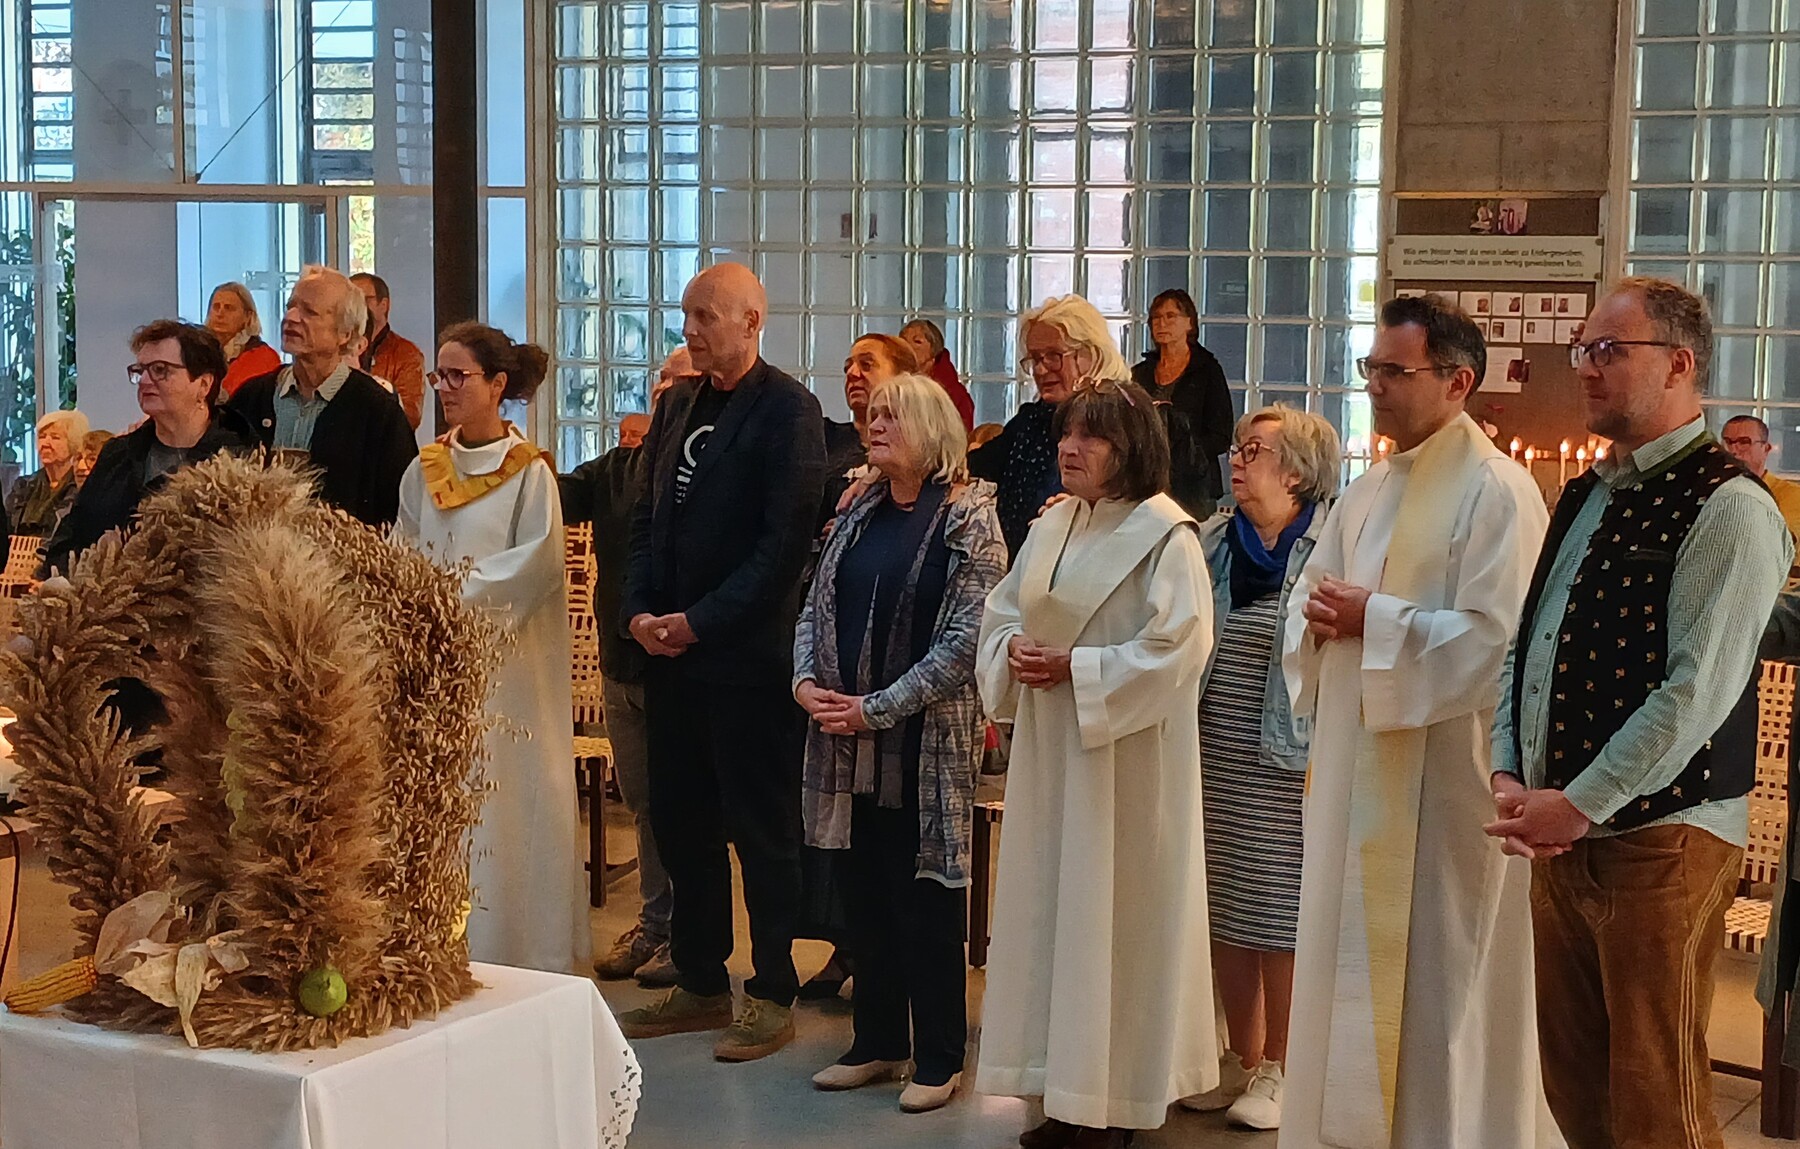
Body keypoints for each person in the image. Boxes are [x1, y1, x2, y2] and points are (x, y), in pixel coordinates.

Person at [1487, 278, 1792, 1149]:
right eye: (1583, 349)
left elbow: (1695, 694)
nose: (1586, 368)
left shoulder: (1730, 505)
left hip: (1665, 838)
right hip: (1562, 828)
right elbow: (1530, 642)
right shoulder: (1588, 492)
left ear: (1680, 363)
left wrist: (1577, 801)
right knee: (1575, 1088)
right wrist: (1510, 769)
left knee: (1658, 1103)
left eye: (1609, 351)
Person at [1280, 294, 1555, 1149]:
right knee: (1346, 963)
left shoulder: (1499, 491)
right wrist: (1318, 620)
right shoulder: (1367, 491)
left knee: (1442, 981)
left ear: (1458, 380)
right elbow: (1310, 598)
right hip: (1353, 770)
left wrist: (1375, 619)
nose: (1375, 387)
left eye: (1394, 372)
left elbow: (1501, 644)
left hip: (1446, 786)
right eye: (1371, 369)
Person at [974, 379, 1216, 1149]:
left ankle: (1115, 1105)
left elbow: (1180, 650)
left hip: (1127, 768)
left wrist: (1077, 667)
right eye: (1067, 433)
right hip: (1053, 761)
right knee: (1055, 921)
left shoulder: (1167, 538)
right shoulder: (1053, 525)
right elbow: (1002, 610)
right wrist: (1012, 650)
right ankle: (1062, 1092)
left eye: (1091, 436)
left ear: (1132, 448)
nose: (1069, 448)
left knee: (1117, 925)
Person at [614, 263, 827, 1062]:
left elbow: (781, 547)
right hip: (670, 659)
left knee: (760, 832)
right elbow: (646, 520)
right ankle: (701, 978)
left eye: (706, 316)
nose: (691, 330)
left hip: (745, 661)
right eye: (687, 315)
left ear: (751, 321)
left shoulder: (788, 410)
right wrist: (638, 611)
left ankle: (771, 989)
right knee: (681, 822)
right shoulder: (678, 404)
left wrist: (698, 622)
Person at [793, 374, 1006, 1112]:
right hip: (849, 741)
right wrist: (805, 683)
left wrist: (877, 709)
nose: (874, 425)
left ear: (933, 430)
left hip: (925, 743)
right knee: (866, 895)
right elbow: (815, 605)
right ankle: (878, 1042)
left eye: (893, 416)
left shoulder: (970, 517)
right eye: (874, 414)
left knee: (926, 901)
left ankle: (939, 1056)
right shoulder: (860, 508)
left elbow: (966, 640)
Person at [392, 321, 589, 975]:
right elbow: (401, 551)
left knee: (506, 799)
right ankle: (442, 943)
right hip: (432, 668)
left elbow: (536, 566)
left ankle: (519, 950)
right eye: (438, 376)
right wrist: (408, 603)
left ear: (498, 384)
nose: (445, 388)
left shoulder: (528, 475)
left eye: (459, 375)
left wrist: (445, 598)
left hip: (507, 673)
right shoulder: (425, 470)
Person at [1181, 404, 1340, 1132]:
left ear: (1298, 473)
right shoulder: (1213, 541)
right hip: (1214, 749)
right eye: (1237, 448)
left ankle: (1284, 1065)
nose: (1236, 462)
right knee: (1225, 905)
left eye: (1255, 451)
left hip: (1289, 759)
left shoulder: (1331, 546)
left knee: (1280, 912)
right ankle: (1238, 1057)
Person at [562, 346, 698, 989]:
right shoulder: (620, 468)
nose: (667, 386)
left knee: (687, 810)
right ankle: (656, 923)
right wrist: (504, 460)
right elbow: (559, 496)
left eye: (682, 379)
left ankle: (693, 937)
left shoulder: (708, 469)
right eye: (663, 377)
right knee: (644, 807)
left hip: (685, 665)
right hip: (622, 662)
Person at [43, 321, 256, 578]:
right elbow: (65, 544)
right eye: (140, 370)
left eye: (160, 370)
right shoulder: (117, 455)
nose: (144, 381)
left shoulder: (239, 463)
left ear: (203, 384)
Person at [228, 266, 417, 528]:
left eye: (309, 311)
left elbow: (400, 511)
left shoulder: (378, 410)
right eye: (290, 307)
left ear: (345, 334)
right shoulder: (251, 398)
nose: (291, 318)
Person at [969, 294, 1126, 560]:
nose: (1041, 370)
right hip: (1022, 570)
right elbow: (974, 467)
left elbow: (1139, 501)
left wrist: (1087, 511)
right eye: (1035, 359)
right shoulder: (1030, 422)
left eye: (1054, 356)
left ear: (1091, 355)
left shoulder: (1124, 420)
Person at [1130, 288, 1234, 520]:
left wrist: (1187, 455)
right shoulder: (1140, 373)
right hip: (1147, 480)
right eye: (1156, 317)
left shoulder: (1207, 371)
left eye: (1170, 316)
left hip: (1195, 485)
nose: (1161, 323)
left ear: (1189, 323)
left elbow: (1221, 434)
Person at [352, 272, 428, 430]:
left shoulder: (407, 353)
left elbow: (410, 416)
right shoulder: (338, 349)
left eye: (365, 299)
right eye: (351, 300)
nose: (357, 306)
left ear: (384, 304)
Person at [7, 409, 89, 536]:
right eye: (42, 437)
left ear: (73, 444)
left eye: (55, 438)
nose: (45, 443)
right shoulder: (23, 485)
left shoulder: (81, 487)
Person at [1722, 414, 1800, 542]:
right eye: (1728, 442)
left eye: (1744, 442)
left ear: (1766, 449)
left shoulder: (1791, 496)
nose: (1733, 451)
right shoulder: (1712, 492)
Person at [207, 281, 282, 398]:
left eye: (228, 308)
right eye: (216, 307)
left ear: (248, 316)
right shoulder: (198, 353)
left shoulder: (264, 357)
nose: (220, 314)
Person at [900, 318, 974, 433]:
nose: (907, 346)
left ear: (934, 350)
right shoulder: (891, 383)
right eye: (903, 341)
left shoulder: (954, 393)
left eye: (917, 342)